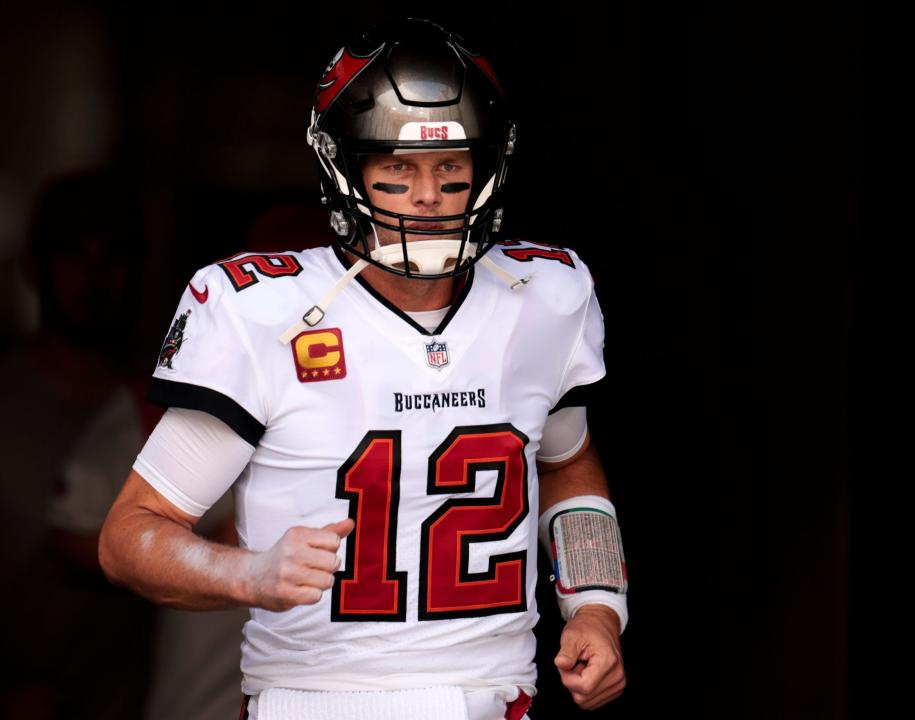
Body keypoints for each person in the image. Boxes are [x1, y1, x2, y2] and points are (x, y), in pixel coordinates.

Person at [99, 18, 627, 720]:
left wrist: (595, 606)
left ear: (487, 167)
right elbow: (129, 535)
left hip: (497, 697)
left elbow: (566, 462)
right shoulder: (263, 313)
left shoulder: (545, 298)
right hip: (316, 700)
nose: (427, 195)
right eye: (395, 168)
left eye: (451, 167)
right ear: (345, 169)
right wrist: (246, 572)